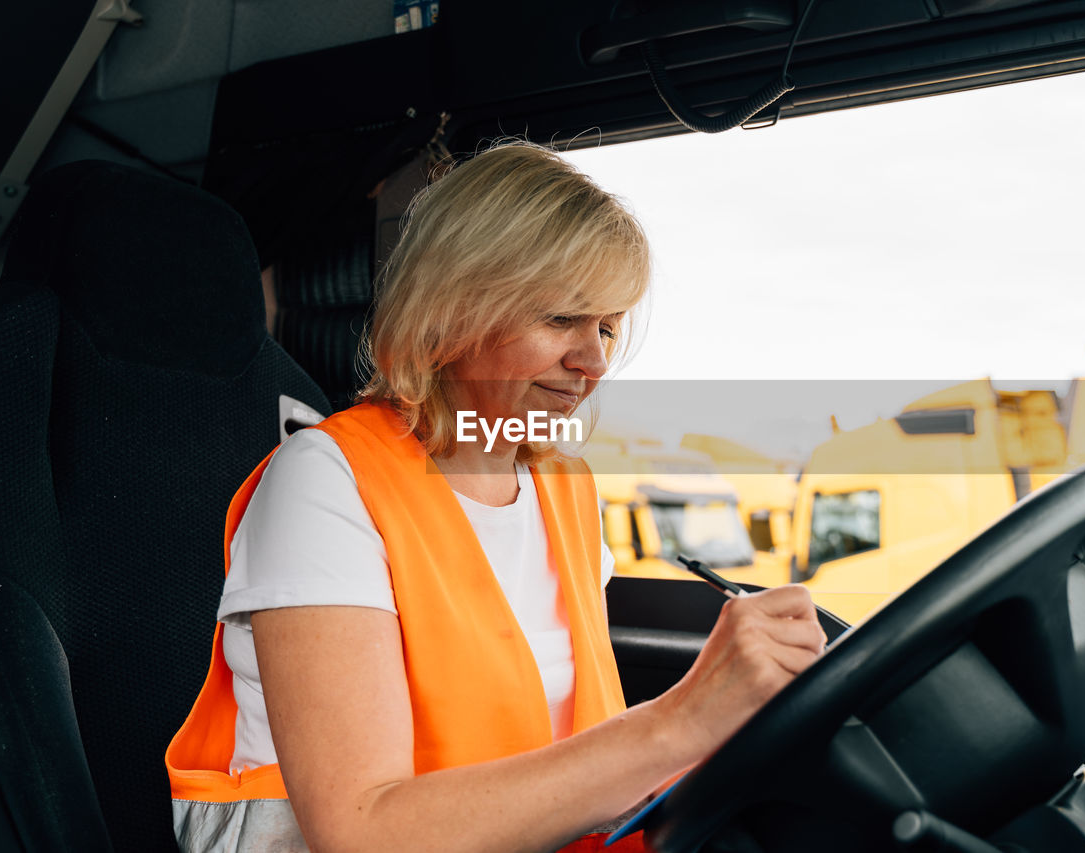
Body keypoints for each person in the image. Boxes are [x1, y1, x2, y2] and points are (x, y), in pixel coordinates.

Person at [166, 140, 826, 853]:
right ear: (450, 312)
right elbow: (362, 832)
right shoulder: (327, 481)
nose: (595, 360)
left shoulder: (564, 489)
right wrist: (679, 721)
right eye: (561, 319)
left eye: (606, 326)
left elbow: (553, 746)